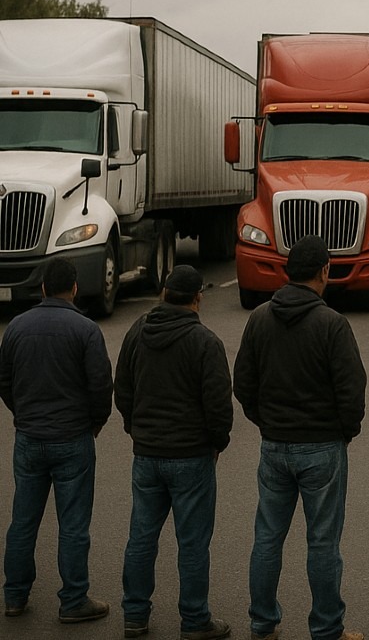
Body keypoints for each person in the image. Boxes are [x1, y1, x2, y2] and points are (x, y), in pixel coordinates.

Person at [234, 236, 367, 640]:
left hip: (274, 445)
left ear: (288, 272)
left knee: (267, 538)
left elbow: (243, 384)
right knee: (323, 543)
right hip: (322, 446)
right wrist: (344, 432)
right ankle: (327, 628)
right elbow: (352, 392)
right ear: (324, 271)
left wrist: (266, 422)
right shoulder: (332, 324)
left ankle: (262, 623)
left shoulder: (259, 318)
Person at [115, 265, 234, 640]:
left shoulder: (138, 332)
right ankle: (195, 620)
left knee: (141, 537)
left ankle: (135, 615)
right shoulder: (205, 342)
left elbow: (123, 389)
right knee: (193, 543)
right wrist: (216, 443)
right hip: (191, 456)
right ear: (197, 298)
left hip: (147, 454)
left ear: (164, 292)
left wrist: (137, 428)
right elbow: (218, 406)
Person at [0, 257, 113, 623]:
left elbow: (4, 380)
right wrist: (94, 424)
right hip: (72, 438)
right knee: (73, 524)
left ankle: (15, 596)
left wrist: (22, 412)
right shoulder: (85, 329)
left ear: (44, 287)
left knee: (23, 521)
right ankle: (73, 600)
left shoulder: (16, 327)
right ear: (75, 288)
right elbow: (100, 386)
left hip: (30, 438)